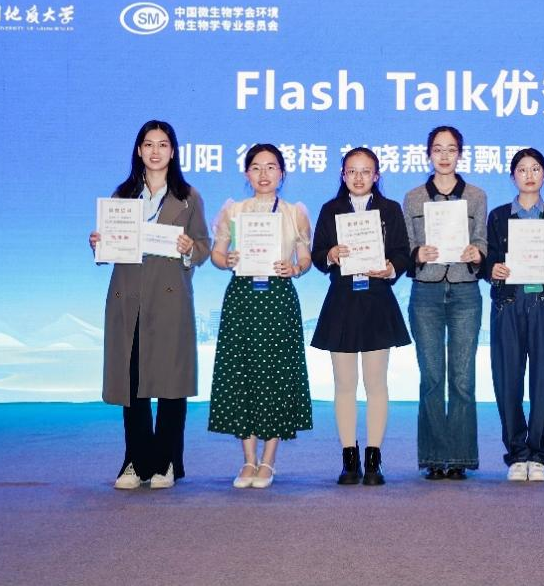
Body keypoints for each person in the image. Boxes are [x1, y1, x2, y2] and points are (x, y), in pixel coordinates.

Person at [89, 120, 210, 490]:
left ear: (173, 152)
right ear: (139, 151)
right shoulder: (123, 195)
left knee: (171, 383)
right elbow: (112, 246)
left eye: (163, 144)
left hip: (169, 298)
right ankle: (135, 461)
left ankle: (166, 461)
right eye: (148, 144)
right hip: (129, 297)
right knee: (132, 382)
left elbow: (204, 246)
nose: (155, 151)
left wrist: (190, 248)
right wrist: (99, 243)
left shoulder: (188, 196)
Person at [207, 144, 314, 489]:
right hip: (242, 299)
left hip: (278, 298)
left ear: (282, 173)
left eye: (271, 167)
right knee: (242, 374)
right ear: (246, 173)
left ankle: (268, 460)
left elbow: (306, 258)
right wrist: (227, 259)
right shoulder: (233, 210)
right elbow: (217, 255)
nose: (263, 174)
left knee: (275, 376)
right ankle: (248, 460)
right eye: (256, 167)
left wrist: (295, 268)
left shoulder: (294, 213)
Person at [310, 147, 412, 486]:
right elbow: (317, 254)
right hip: (342, 301)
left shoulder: (390, 209)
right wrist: (330, 254)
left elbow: (402, 253)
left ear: (377, 175)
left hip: (377, 300)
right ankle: (348, 459)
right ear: (342, 175)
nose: (358, 177)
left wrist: (391, 267)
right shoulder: (330, 209)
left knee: (376, 383)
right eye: (351, 171)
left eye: (366, 171)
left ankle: (373, 458)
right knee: (344, 384)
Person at [484, 148, 544, 482]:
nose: (529, 175)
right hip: (508, 303)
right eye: (522, 169)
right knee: (507, 379)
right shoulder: (497, 216)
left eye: (536, 169)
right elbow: (486, 260)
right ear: (513, 177)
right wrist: (492, 269)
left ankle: (538, 454)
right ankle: (516, 453)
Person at [402, 126, 487, 481]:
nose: (444, 156)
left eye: (451, 149)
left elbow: (482, 240)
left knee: (463, 379)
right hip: (426, 292)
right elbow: (405, 247)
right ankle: (435, 457)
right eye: (438, 149)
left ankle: (461, 457)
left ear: (460, 154)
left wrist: (477, 253)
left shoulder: (477, 196)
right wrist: (417, 253)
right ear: (428, 154)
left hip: (465, 291)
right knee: (432, 377)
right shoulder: (413, 198)